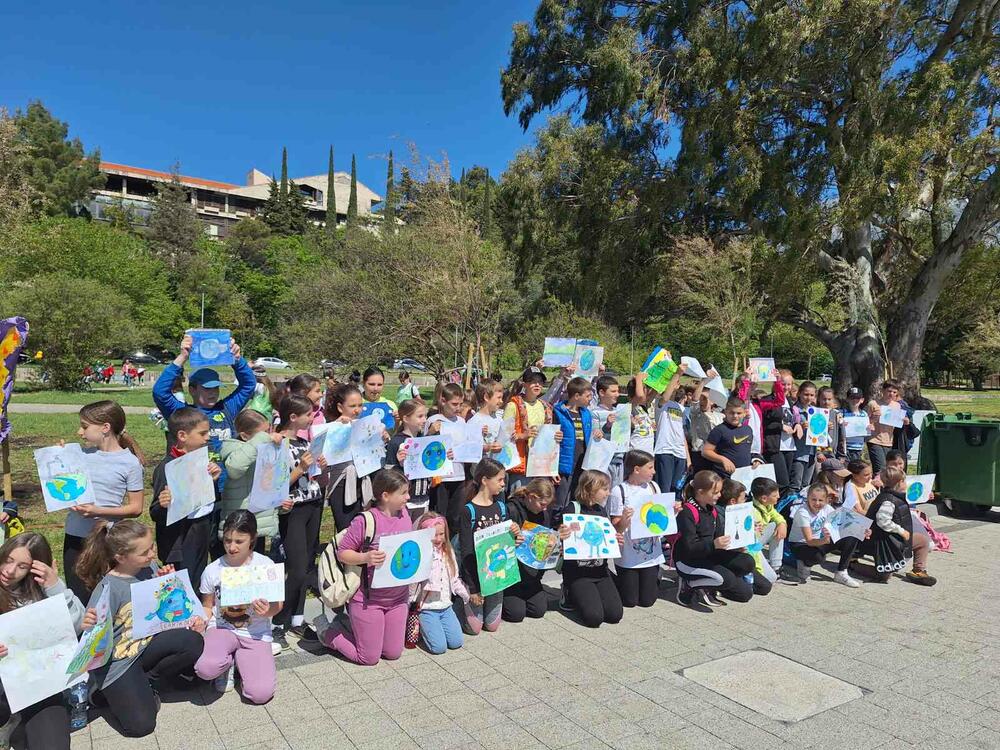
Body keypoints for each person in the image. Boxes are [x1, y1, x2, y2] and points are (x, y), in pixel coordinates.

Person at [77, 520, 205, 738]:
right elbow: (90, 636)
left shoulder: (149, 567)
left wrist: (167, 583)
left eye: (152, 546)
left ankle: (147, 681)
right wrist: (87, 622)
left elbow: (163, 608)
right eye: (144, 552)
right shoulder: (108, 589)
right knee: (141, 726)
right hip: (118, 661)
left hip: (146, 644)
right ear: (120, 557)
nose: (152, 554)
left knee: (193, 641)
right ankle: (101, 693)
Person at [0, 534, 91, 750]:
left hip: (37, 687)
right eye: (8, 560)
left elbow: (78, 624)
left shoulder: (39, 592)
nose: (9, 571)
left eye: (22, 566)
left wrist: (55, 586)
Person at [321, 469, 415, 666]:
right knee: (369, 658)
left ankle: (355, 627)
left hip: (398, 597)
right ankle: (329, 634)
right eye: (404, 492)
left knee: (393, 653)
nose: (408, 497)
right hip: (368, 600)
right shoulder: (365, 520)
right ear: (386, 496)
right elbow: (343, 553)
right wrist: (366, 557)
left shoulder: (405, 514)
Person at [63, 401, 146, 603]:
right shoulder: (80, 454)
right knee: (78, 596)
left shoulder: (130, 463)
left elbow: (136, 508)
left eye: (84, 426)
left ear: (105, 428)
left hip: (105, 539)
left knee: (102, 598)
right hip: (74, 536)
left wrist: (97, 511)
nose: (80, 432)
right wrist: (58, 456)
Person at [195, 511, 282, 700]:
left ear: (252, 539)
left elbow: (277, 606)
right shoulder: (213, 570)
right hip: (222, 628)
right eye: (227, 540)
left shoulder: (265, 565)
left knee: (260, 694)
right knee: (204, 669)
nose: (232, 547)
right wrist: (200, 618)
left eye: (239, 541)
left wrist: (268, 610)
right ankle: (227, 663)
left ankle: (243, 662)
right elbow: (207, 605)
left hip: (255, 633)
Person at [152, 335, 256, 477]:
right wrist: (182, 358)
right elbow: (160, 392)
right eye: (207, 389)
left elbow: (248, 385)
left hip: (228, 486)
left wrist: (236, 360)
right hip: (196, 483)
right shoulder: (183, 413)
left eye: (216, 388)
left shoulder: (226, 409)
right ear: (192, 390)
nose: (213, 393)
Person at [273, 395, 327, 648]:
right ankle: (276, 623)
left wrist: (318, 466)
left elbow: (313, 476)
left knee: (306, 566)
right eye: (308, 415)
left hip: (313, 504)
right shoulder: (277, 443)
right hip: (293, 510)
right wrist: (301, 468)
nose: (311, 418)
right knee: (294, 569)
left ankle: (296, 618)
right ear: (293, 417)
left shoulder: (305, 441)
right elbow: (275, 485)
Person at [150, 408, 221, 593]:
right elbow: (154, 512)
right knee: (182, 589)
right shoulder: (167, 468)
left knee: (199, 582)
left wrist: (213, 481)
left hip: (201, 532)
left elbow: (207, 501)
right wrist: (163, 504)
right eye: (203, 433)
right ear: (182, 435)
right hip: (178, 542)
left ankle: (198, 620)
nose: (208, 437)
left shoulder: (201, 461)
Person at [673, 470, 755, 611]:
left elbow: (720, 537)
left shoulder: (713, 510)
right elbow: (690, 548)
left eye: (719, 491)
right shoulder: (687, 512)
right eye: (715, 492)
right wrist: (713, 544)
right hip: (687, 560)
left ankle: (710, 584)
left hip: (710, 555)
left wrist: (735, 546)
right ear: (701, 492)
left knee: (746, 573)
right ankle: (689, 585)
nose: (720, 495)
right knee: (725, 579)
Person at [554, 470, 624, 627]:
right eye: (604, 489)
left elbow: (607, 538)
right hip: (578, 573)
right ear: (590, 488)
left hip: (600, 570)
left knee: (614, 615)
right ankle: (568, 591)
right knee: (594, 618)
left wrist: (615, 539)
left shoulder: (601, 511)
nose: (608, 493)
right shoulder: (572, 509)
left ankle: (589, 595)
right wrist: (561, 535)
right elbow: (558, 537)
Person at [456, 459, 518, 634]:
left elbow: (508, 544)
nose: (503, 484)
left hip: (495, 577)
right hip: (475, 576)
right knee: (474, 629)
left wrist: (514, 533)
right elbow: (467, 551)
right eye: (499, 479)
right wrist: (474, 589)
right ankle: (459, 601)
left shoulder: (501, 507)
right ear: (484, 480)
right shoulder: (469, 511)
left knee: (492, 626)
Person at [607, 450, 666, 608]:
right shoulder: (619, 491)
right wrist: (625, 520)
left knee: (647, 601)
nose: (654, 471)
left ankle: (653, 575)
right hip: (629, 553)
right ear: (636, 469)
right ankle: (607, 576)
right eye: (650, 467)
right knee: (629, 601)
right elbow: (616, 527)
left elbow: (660, 515)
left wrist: (671, 512)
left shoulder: (653, 487)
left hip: (651, 550)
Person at [219, 409, 280, 553]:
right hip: (239, 523)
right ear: (245, 436)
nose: (268, 436)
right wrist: (262, 439)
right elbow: (235, 468)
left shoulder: (263, 449)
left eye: (268, 431)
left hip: (259, 519)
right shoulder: (233, 449)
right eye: (263, 433)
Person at [866, 468, 937, 586]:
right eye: (904, 481)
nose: (906, 484)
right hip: (883, 542)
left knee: (923, 541)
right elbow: (882, 521)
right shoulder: (887, 501)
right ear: (899, 483)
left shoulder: (898, 496)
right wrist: (901, 531)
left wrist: (926, 496)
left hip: (896, 538)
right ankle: (854, 565)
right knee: (884, 575)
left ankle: (918, 570)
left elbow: (914, 498)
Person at [411, 512, 468, 654]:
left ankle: (435, 629)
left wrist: (466, 595)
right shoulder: (420, 555)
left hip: (446, 606)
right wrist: (409, 603)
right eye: (434, 535)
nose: (438, 538)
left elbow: (454, 579)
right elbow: (412, 585)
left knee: (456, 642)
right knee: (439, 648)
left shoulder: (448, 552)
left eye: (441, 534)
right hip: (427, 608)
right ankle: (427, 629)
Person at [788, 483, 862, 587]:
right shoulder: (802, 512)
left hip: (819, 540)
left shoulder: (827, 508)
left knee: (852, 533)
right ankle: (805, 564)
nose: (817, 503)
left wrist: (863, 529)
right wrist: (825, 540)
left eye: (820, 500)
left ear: (827, 500)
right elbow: (809, 540)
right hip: (800, 544)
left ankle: (841, 572)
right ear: (807, 498)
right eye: (813, 499)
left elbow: (843, 523)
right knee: (819, 558)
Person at [503, 478, 557, 622]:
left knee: (538, 610)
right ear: (532, 497)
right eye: (542, 504)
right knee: (515, 614)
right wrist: (512, 540)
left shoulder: (543, 514)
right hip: (512, 574)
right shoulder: (511, 509)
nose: (545, 508)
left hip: (531, 574)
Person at [322, 383, 367, 532]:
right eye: (352, 405)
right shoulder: (332, 428)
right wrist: (338, 428)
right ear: (340, 408)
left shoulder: (364, 425)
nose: (357, 410)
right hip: (341, 484)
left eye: (360, 405)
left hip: (362, 481)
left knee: (361, 526)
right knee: (345, 529)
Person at [425, 383, 470, 528]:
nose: (458, 408)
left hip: (459, 474)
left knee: (455, 515)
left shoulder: (462, 422)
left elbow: (467, 446)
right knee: (439, 514)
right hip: (440, 477)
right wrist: (431, 433)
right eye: (454, 404)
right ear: (443, 401)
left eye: (460, 404)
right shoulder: (434, 420)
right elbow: (424, 447)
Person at [503, 367, 553, 494]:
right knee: (519, 499)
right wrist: (522, 435)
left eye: (540, 382)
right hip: (521, 463)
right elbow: (504, 436)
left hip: (540, 464)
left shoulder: (545, 406)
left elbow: (548, 435)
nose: (537, 384)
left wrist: (556, 436)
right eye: (532, 381)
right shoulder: (512, 405)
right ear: (525, 384)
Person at [718, 479, 772, 596]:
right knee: (745, 594)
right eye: (743, 498)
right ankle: (721, 586)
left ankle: (738, 580)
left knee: (765, 587)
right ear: (733, 501)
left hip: (740, 555)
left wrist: (753, 532)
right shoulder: (719, 516)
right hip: (726, 559)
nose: (745, 501)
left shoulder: (739, 514)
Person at [552, 377, 599, 509]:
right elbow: (551, 441)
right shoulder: (558, 412)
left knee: (576, 500)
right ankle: (556, 525)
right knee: (559, 501)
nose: (590, 399)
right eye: (588, 396)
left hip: (582, 464)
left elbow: (588, 435)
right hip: (565, 466)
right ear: (577, 396)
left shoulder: (585, 413)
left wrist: (597, 434)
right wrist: (553, 469)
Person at [386, 399, 434, 521]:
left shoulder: (424, 440)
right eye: (420, 416)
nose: (424, 420)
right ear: (406, 419)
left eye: (426, 416)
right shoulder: (396, 442)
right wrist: (399, 464)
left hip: (424, 498)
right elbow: (388, 475)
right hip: (403, 502)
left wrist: (444, 459)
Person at [653, 364, 691, 492]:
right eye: (672, 381)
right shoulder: (660, 402)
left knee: (676, 490)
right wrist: (677, 373)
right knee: (664, 490)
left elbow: (681, 434)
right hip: (665, 450)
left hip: (680, 453)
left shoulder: (680, 408)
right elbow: (665, 396)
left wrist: (688, 458)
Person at [761, 369, 798, 496]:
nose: (786, 387)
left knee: (787, 482)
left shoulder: (792, 402)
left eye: (789, 384)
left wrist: (798, 425)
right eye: (783, 384)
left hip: (789, 446)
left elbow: (794, 420)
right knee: (782, 482)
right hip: (774, 446)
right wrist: (781, 426)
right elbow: (763, 423)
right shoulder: (768, 400)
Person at [701, 397, 756, 478]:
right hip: (724, 476)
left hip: (744, 475)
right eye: (731, 413)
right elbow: (705, 452)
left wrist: (756, 459)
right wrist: (722, 459)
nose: (735, 416)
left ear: (744, 413)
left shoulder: (748, 429)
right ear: (726, 412)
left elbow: (749, 450)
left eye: (739, 413)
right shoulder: (719, 430)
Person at [866, 379, 909, 474]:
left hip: (889, 441)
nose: (891, 394)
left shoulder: (897, 406)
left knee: (888, 468)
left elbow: (898, 423)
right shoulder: (873, 404)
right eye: (889, 391)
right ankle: (879, 487)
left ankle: (886, 487)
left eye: (894, 392)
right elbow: (864, 421)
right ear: (882, 390)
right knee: (880, 468)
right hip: (874, 440)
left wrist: (905, 421)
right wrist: (872, 420)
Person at [591, 374, 627, 488]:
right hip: (603, 462)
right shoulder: (594, 412)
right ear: (602, 393)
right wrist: (607, 426)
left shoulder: (620, 411)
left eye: (618, 391)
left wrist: (631, 425)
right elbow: (595, 438)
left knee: (617, 494)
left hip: (619, 459)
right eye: (613, 391)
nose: (617, 394)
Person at [749, 476, 787, 582]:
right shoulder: (753, 512)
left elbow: (777, 516)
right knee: (770, 578)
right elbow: (752, 545)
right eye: (775, 495)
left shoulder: (767, 505)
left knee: (777, 525)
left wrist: (782, 523)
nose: (779, 496)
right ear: (764, 498)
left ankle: (776, 567)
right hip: (752, 547)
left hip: (758, 540)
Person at [468, 379, 505, 463]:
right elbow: (470, 447)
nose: (501, 401)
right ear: (486, 397)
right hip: (483, 469)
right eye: (499, 398)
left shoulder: (499, 419)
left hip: (499, 466)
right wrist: (486, 447)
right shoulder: (475, 421)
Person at [626, 372, 656, 454]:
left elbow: (656, 390)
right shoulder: (629, 407)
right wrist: (638, 379)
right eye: (644, 388)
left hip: (649, 454)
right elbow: (640, 397)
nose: (647, 391)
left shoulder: (644, 406)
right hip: (636, 454)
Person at [841, 387, 870, 462]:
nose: (855, 400)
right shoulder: (841, 413)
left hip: (859, 448)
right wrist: (841, 424)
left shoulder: (864, 414)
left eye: (857, 398)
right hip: (845, 448)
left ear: (862, 400)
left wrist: (869, 428)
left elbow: (866, 434)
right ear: (847, 399)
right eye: (852, 398)